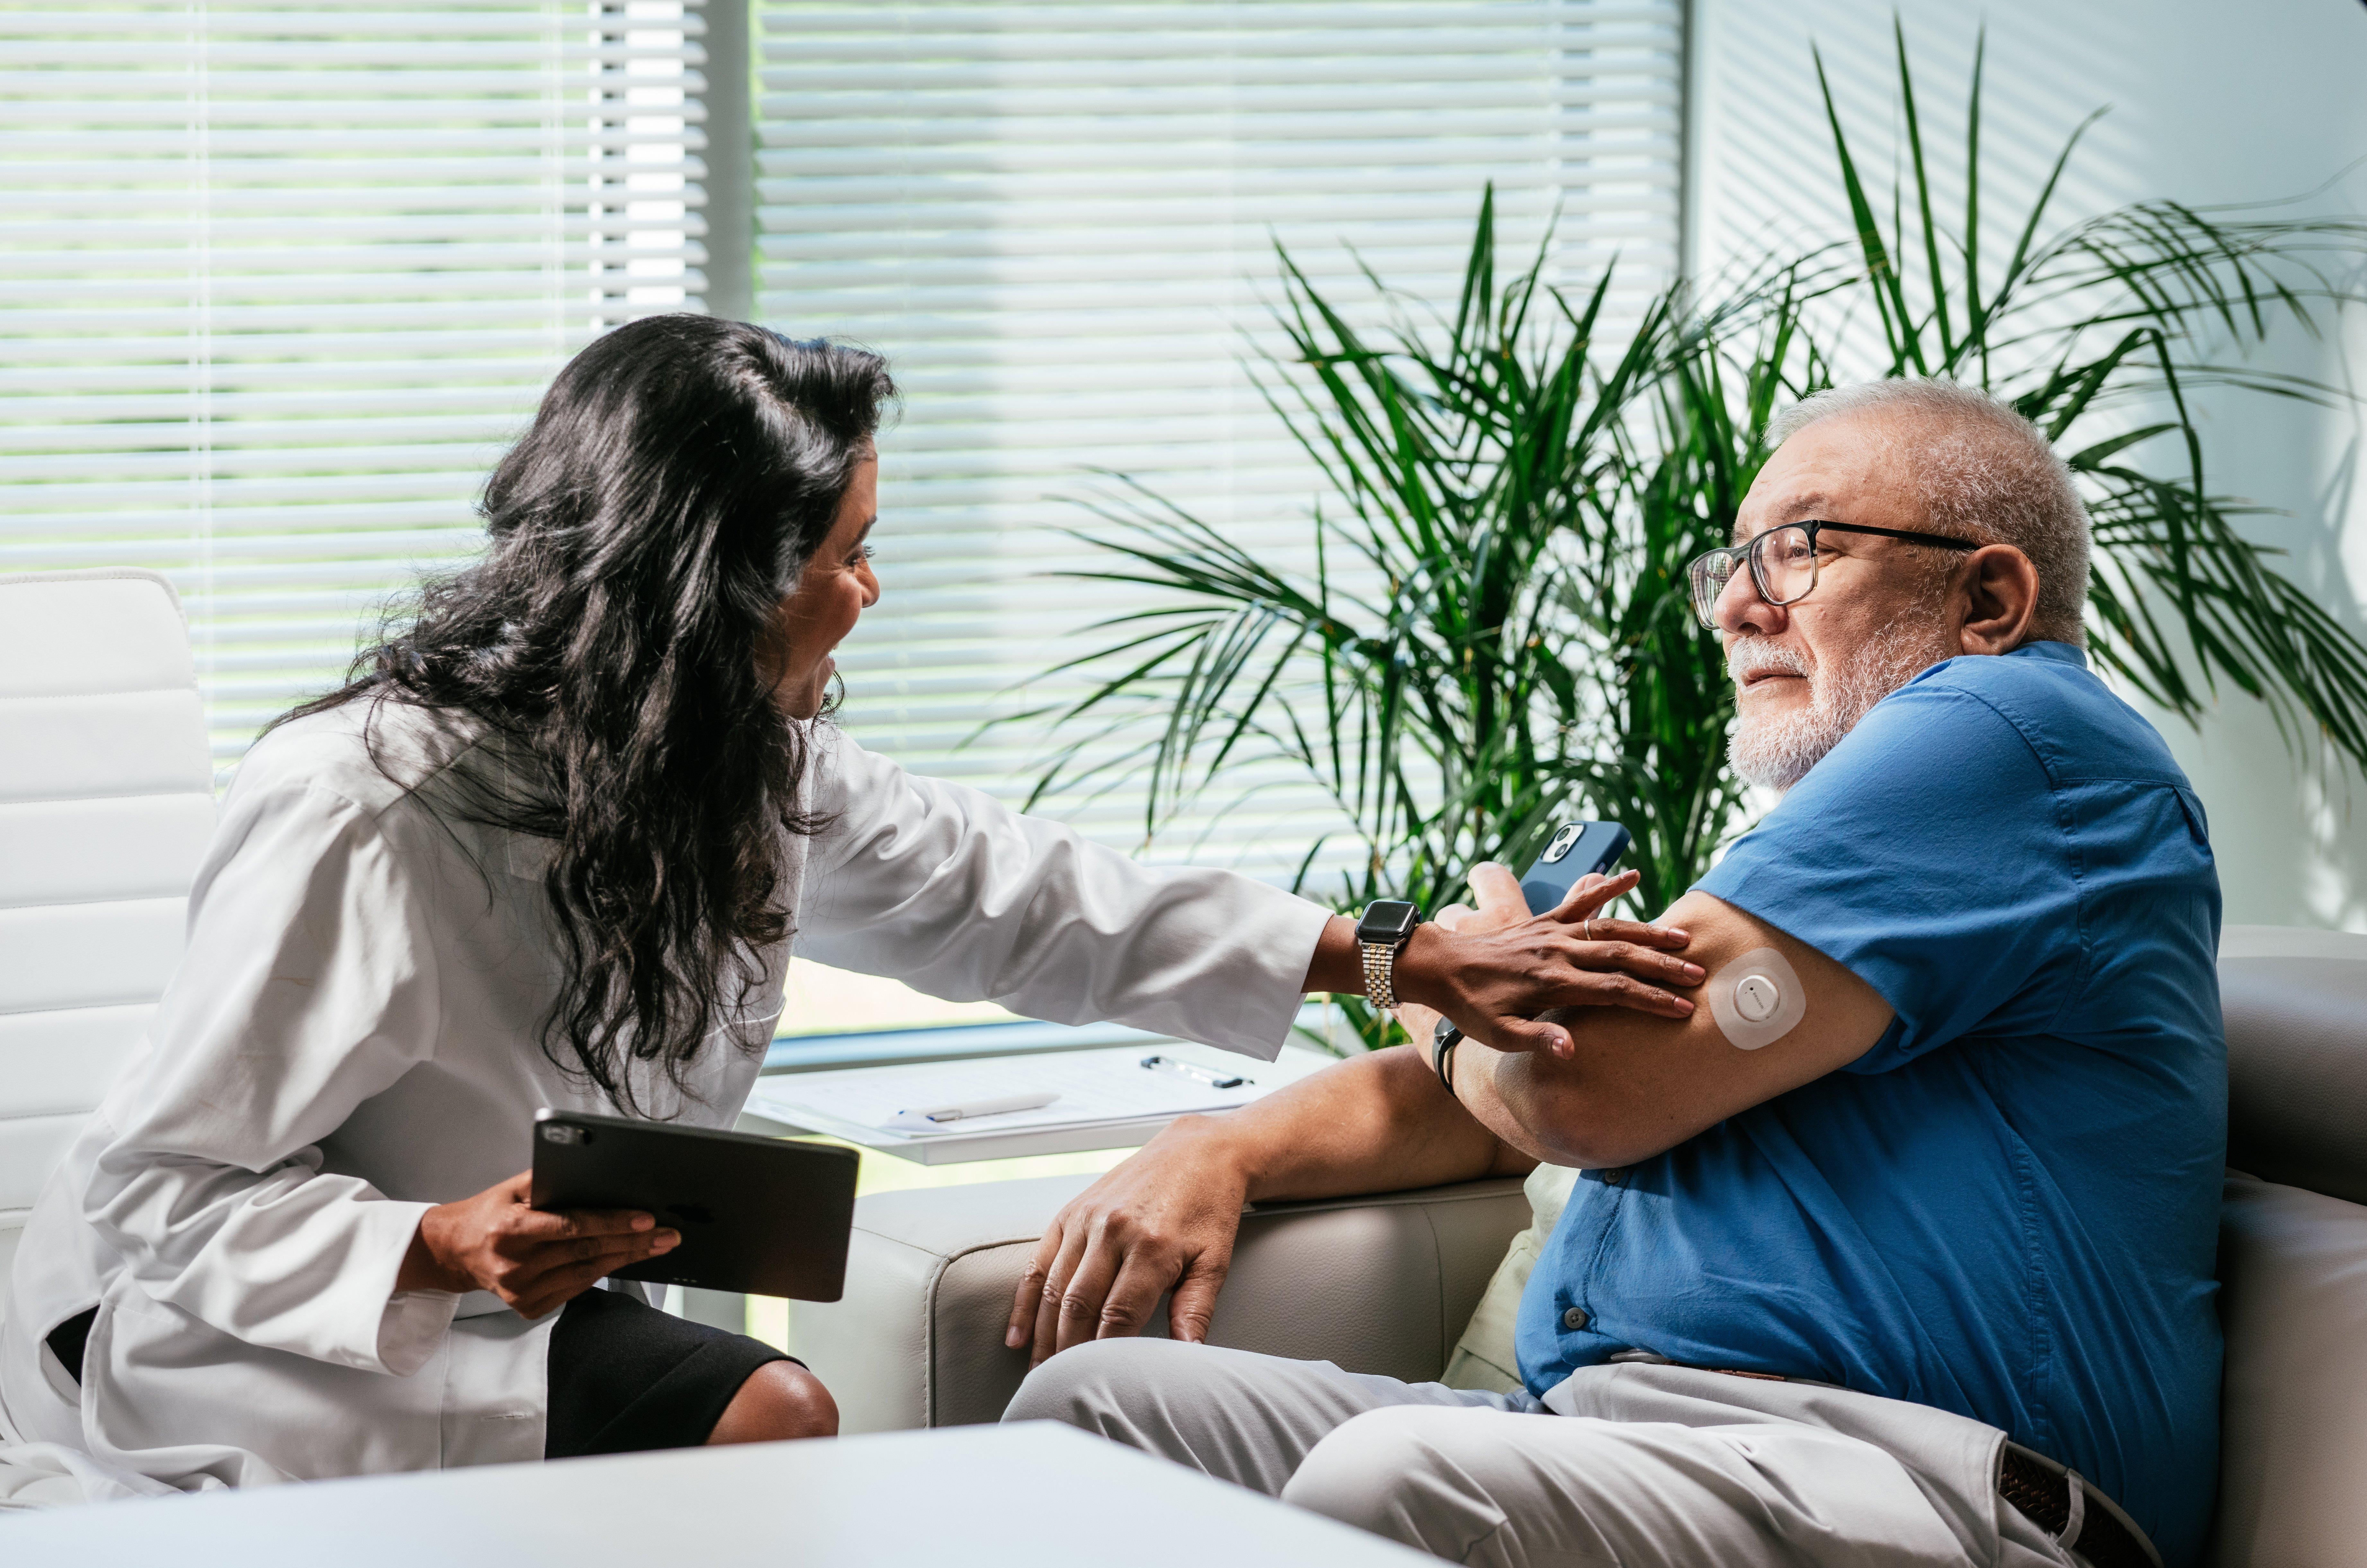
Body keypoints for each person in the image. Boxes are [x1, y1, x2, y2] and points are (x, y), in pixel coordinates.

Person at [0, 317, 1706, 1489]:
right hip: (247, 1324)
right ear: (709, 591)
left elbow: (1033, 900)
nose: (868, 592)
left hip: (510, 1295)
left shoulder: (748, 757)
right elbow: (159, 1188)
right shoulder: (365, 808)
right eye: (843, 557)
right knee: (768, 1419)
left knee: (749, 1420)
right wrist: (437, 1241)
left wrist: (1405, 953)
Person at [1003, 379, 2222, 1568]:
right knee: (1096, 1410)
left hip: (1923, 1476)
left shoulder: (2010, 728)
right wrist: (1220, 1147)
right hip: (1626, 1437)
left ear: (1989, 596)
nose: (1735, 608)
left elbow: (1579, 1090)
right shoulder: (1852, 855)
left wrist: (1444, 985)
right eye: (1730, 564)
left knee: (1394, 1482)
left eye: (1796, 550)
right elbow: (1505, 1093)